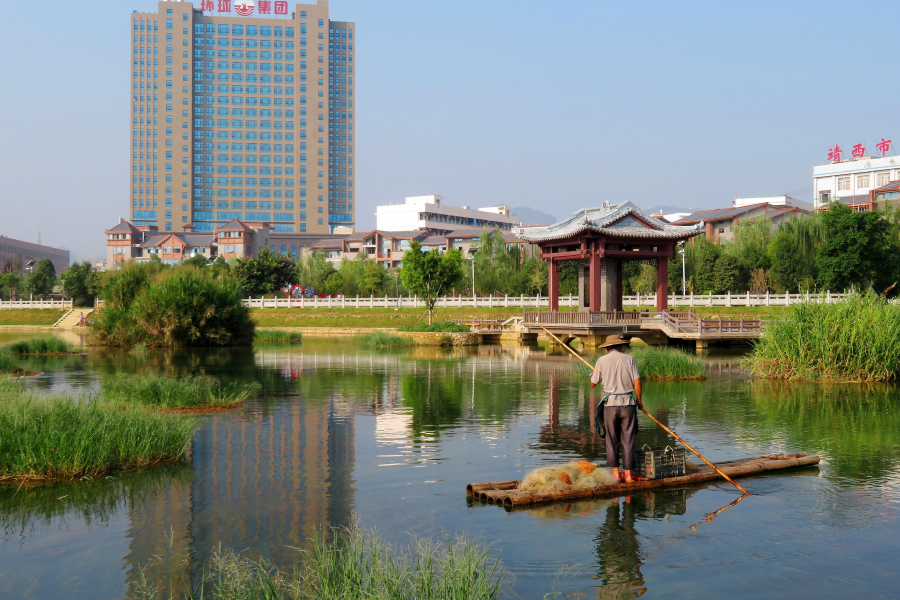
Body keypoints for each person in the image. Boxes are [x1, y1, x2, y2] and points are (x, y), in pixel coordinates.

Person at [590, 334, 643, 483]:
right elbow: (637, 382)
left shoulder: (601, 361)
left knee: (611, 439)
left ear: (607, 347)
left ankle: (615, 474)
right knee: (628, 439)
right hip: (628, 404)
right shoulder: (629, 359)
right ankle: (627, 475)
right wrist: (639, 401)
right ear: (620, 346)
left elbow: (593, 384)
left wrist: (595, 374)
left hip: (610, 405)